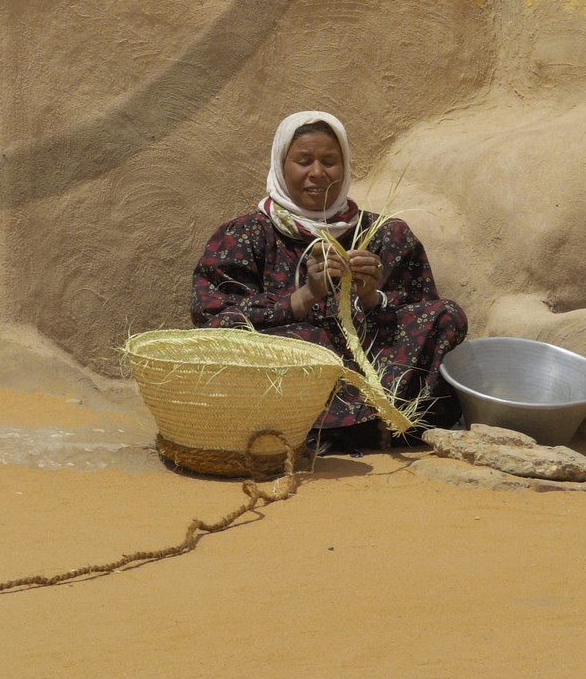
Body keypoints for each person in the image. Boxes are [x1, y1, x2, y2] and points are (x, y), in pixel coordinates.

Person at [191, 109, 467, 449]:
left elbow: (422, 312)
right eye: (303, 160)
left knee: (448, 316)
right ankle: (340, 427)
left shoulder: (384, 235)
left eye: (329, 161)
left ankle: (377, 422)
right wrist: (304, 297)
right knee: (313, 340)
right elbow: (212, 319)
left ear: (346, 166)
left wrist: (371, 298)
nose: (318, 173)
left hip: (376, 373)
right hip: (291, 377)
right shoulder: (246, 235)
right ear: (281, 164)